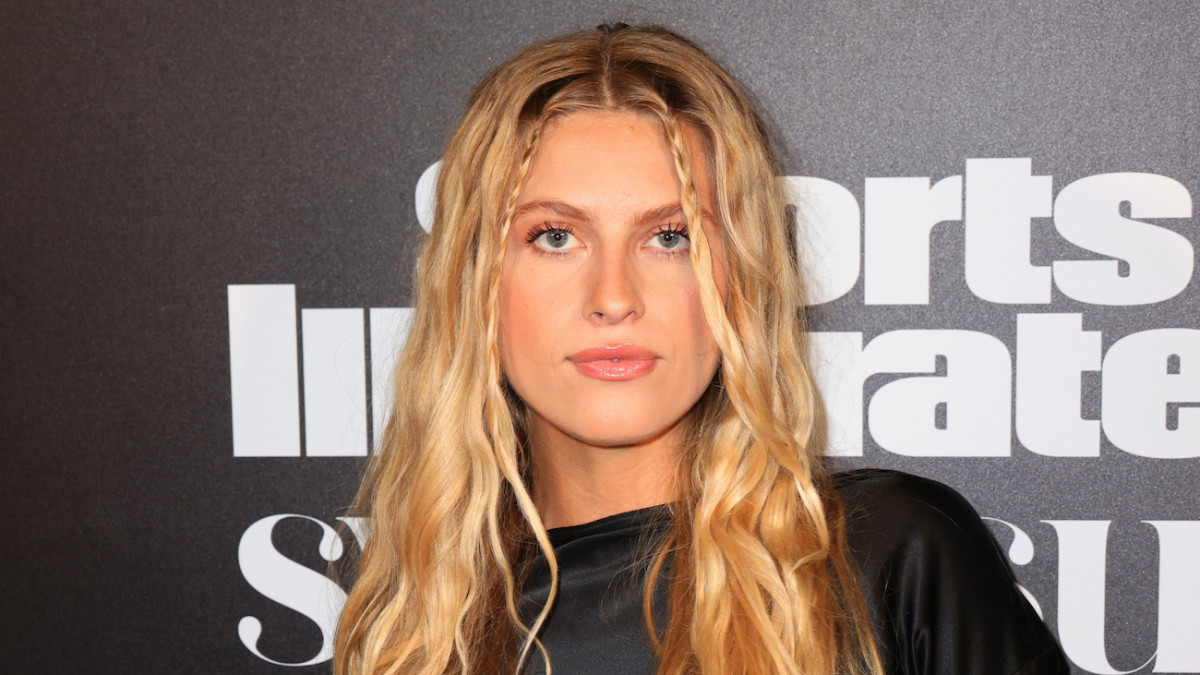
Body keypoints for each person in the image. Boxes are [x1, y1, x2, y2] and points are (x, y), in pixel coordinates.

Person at [334, 24, 1070, 675]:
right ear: (473, 283)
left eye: (670, 236)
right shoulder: (414, 628)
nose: (614, 296)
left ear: (740, 276)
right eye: (555, 236)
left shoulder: (890, 558)